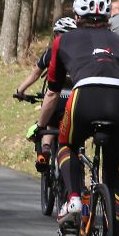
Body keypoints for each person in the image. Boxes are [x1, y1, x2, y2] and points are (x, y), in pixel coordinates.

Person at [49, 0, 119, 236]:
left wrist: (43, 125)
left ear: (76, 16)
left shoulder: (63, 40)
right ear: (108, 17)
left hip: (84, 95)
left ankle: (74, 199)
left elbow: (53, 88)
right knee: (114, 179)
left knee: (66, 145)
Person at [14, 16, 77, 165]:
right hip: (77, 101)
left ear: (56, 35)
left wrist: (20, 91)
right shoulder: (81, 54)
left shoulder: (51, 53)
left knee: (50, 124)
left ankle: (45, 153)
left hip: (56, 100)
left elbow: (35, 74)